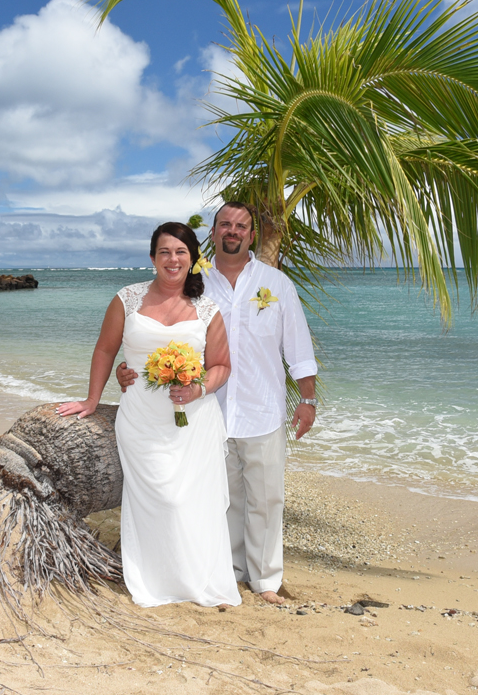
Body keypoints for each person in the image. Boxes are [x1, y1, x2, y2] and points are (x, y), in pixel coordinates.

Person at [118, 202, 318, 605]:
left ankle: (266, 581)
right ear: (213, 232)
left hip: (262, 408)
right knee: (216, 499)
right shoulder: (194, 282)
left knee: (266, 497)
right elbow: (158, 327)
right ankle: (225, 571)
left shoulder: (276, 284)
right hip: (204, 413)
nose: (233, 231)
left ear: (251, 234)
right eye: (225, 224)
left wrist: (308, 397)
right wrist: (130, 367)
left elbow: (297, 345)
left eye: (241, 226)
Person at [57, 223, 240, 608]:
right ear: (153, 257)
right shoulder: (128, 298)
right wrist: (92, 400)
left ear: (192, 259)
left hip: (193, 421)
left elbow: (221, 366)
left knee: (190, 500)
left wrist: (197, 388)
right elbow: (105, 350)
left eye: (180, 252)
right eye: (164, 252)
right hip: (140, 416)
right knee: (155, 498)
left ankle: (197, 580)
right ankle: (155, 580)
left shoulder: (207, 309)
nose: (172, 260)